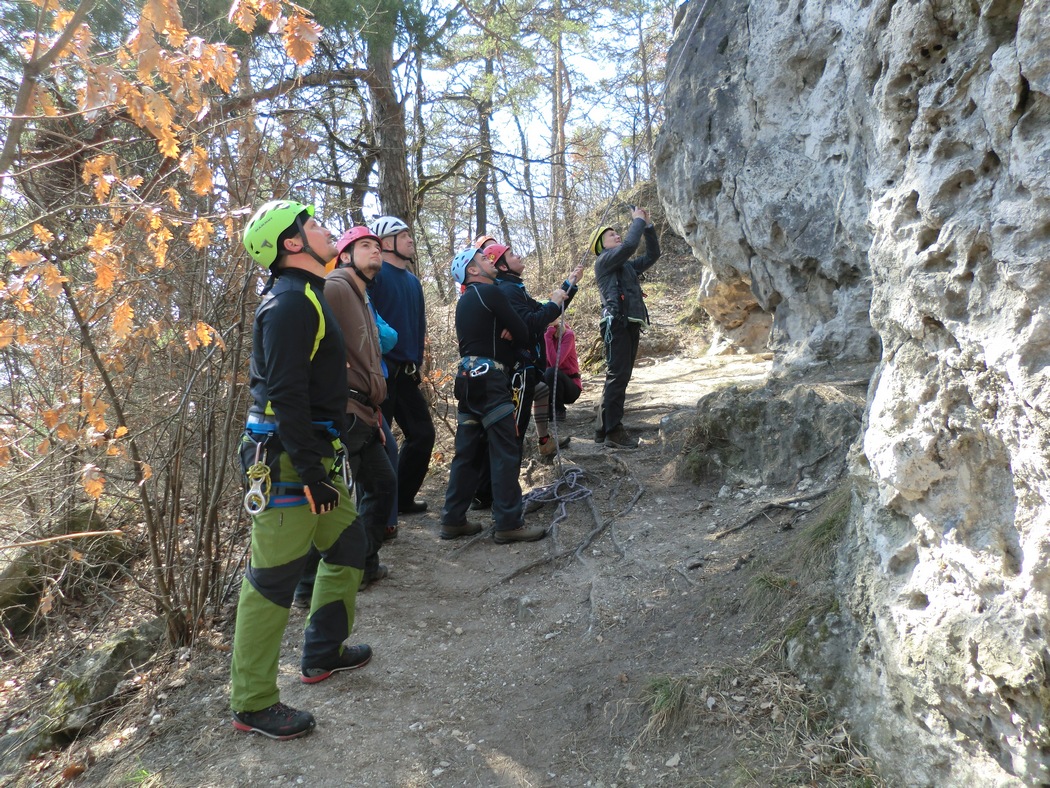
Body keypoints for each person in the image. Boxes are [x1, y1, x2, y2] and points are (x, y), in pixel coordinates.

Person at [232, 200, 372, 741]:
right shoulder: (289, 303)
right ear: (292, 244)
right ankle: (252, 703)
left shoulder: (308, 293)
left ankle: (322, 652)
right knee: (272, 581)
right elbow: (285, 394)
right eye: (312, 225)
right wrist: (312, 473)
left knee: (348, 543)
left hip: (310, 452)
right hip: (286, 460)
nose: (325, 228)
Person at [293, 226, 397, 606]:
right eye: (365, 245)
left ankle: (364, 565)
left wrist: (375, 415)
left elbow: (367, 358)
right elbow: (310, 344)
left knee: (382, 484)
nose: (376, 251)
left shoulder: (362, 296)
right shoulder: (336, 287)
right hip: (343, 411)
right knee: (331, 499)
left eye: (378, 246)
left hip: (364, 412)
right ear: (346, 256)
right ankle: (307, 586)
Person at [441, 248, 547, 544]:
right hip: (491, 381)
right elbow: (524, 332)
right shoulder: (491, 292)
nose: (490, 260)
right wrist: (512, 328)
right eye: (483, 259)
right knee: (504, 450)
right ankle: (508, 523)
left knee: (466, 454)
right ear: (472, 271)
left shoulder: (464, 302)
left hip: (466, 380)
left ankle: (453, 519)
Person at [367, 215, 435, 515]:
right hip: (380, 373)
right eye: (403, 235)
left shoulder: (413, 282)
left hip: (406, 374)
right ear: (386, 243)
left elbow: (418, 326)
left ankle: (401, 499)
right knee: (377, 444)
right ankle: (380, 512)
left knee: (422, 435)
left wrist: (417, 363)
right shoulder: (375, 276)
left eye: (410, 234)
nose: (410, 239)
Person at [590, 206, 661, 448]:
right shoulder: (604, 261)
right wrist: (637, 220)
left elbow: (653, 255)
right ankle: (613, 431)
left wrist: (648, 226)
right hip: (616, 323)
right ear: (601, 245)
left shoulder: (626, 266)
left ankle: (603, 429)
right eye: (611, 235)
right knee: (618, 376)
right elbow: (630, 245)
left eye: (617, 233)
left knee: (619, 376)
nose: (617, 236)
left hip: (628, 322)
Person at [544, 317, 583, 422]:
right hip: (550, 385)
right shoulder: (542, 336)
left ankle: (559, 409)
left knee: (551, 372)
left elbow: (554, 363)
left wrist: (548, 337)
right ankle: (546, 409)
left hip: (570, 387)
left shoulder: (568, 335)